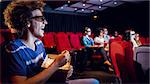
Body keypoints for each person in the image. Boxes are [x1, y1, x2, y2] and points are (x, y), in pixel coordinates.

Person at [2, 1, 99, 84]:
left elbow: (44, 72)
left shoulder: (39, 44)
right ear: (27, 21)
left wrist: (62, 72)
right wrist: (56, 65)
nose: (46, 23)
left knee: (94, 82)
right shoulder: (14, 49)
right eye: (40, 19)